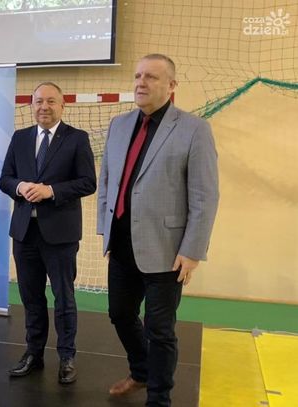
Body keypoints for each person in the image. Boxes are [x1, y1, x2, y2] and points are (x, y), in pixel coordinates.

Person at [97, 54, 219, 406]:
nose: (141, 83)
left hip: (168, 249)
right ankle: (141, 371)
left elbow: (205, 195)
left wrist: (193, 250)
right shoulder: (119, 125)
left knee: (160, 329)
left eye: (151, 77)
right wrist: (106, 229)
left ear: (171, 85)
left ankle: (159, 398)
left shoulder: (194, 129)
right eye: (138, 76)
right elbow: (108, 180)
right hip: (122, 244)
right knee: (120, 314)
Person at [0, 82, 96, 384]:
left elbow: (88, 182)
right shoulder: (20, 138)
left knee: (64, 297)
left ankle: (67, 356)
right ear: (31, 105)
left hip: (60, 234)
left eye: (51, 101)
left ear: (62, 105)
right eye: (39, 101)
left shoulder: (77, 139)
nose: (44, 107)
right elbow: (5, 178)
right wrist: (20, 187)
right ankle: (34, 353)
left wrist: (51, 191)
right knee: (31, 297)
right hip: (24, 232)